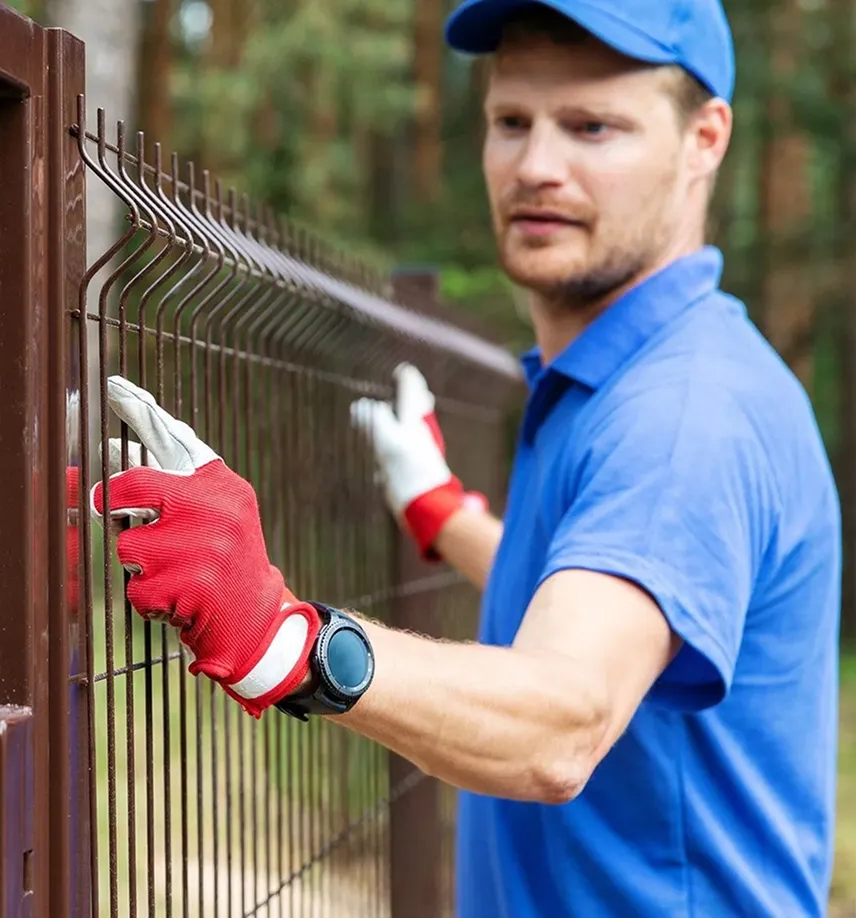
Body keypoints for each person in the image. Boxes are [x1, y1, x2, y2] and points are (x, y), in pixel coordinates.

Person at [85, 0, 842, 915]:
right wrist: (447, 518)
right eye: (511, 122)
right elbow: (604, 586)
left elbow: (566, 721)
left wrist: (283, 638)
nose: (537, 167)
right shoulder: (624, 374)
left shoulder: (683, 414)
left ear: (704, 139)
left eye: (593, 127)